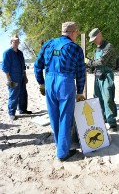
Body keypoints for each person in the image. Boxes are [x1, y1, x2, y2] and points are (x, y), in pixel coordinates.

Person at [34, 22, 86, 161]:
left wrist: (41, 83)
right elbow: (81, 73)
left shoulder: (48, 44)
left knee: (54, 116)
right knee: (65, 118)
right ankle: (63, 153)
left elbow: (37, 65)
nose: (76, 35)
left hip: (50, 82)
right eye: (76, 33)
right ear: (73, 32)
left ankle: (60, 145)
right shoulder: (75, 48)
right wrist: (80, 91)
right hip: (65, 83)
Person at [88, 28, 117, 132]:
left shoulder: (108, 47)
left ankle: (112, 123)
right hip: (97, 76)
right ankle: (103, 119)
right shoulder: (96, 49)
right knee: (97, 98)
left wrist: (88, 62)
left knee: (108, 97)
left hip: (107, 75)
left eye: (95, 39)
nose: (94, 41)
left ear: (100, 35)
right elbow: (94, 63)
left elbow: (101, 61)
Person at [2, 34, 32, 121]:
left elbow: (23, 66)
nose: (16, 43)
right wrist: (8, 79)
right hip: (13, 78)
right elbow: (5, 68)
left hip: (22, 77)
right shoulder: (7, 53)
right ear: (11, 42)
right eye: (14, 41)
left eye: (17, 41)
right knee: (13, 96)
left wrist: (25, 76)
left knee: (23, 94)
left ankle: (22, 110)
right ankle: (11, 113)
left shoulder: (20, 53)